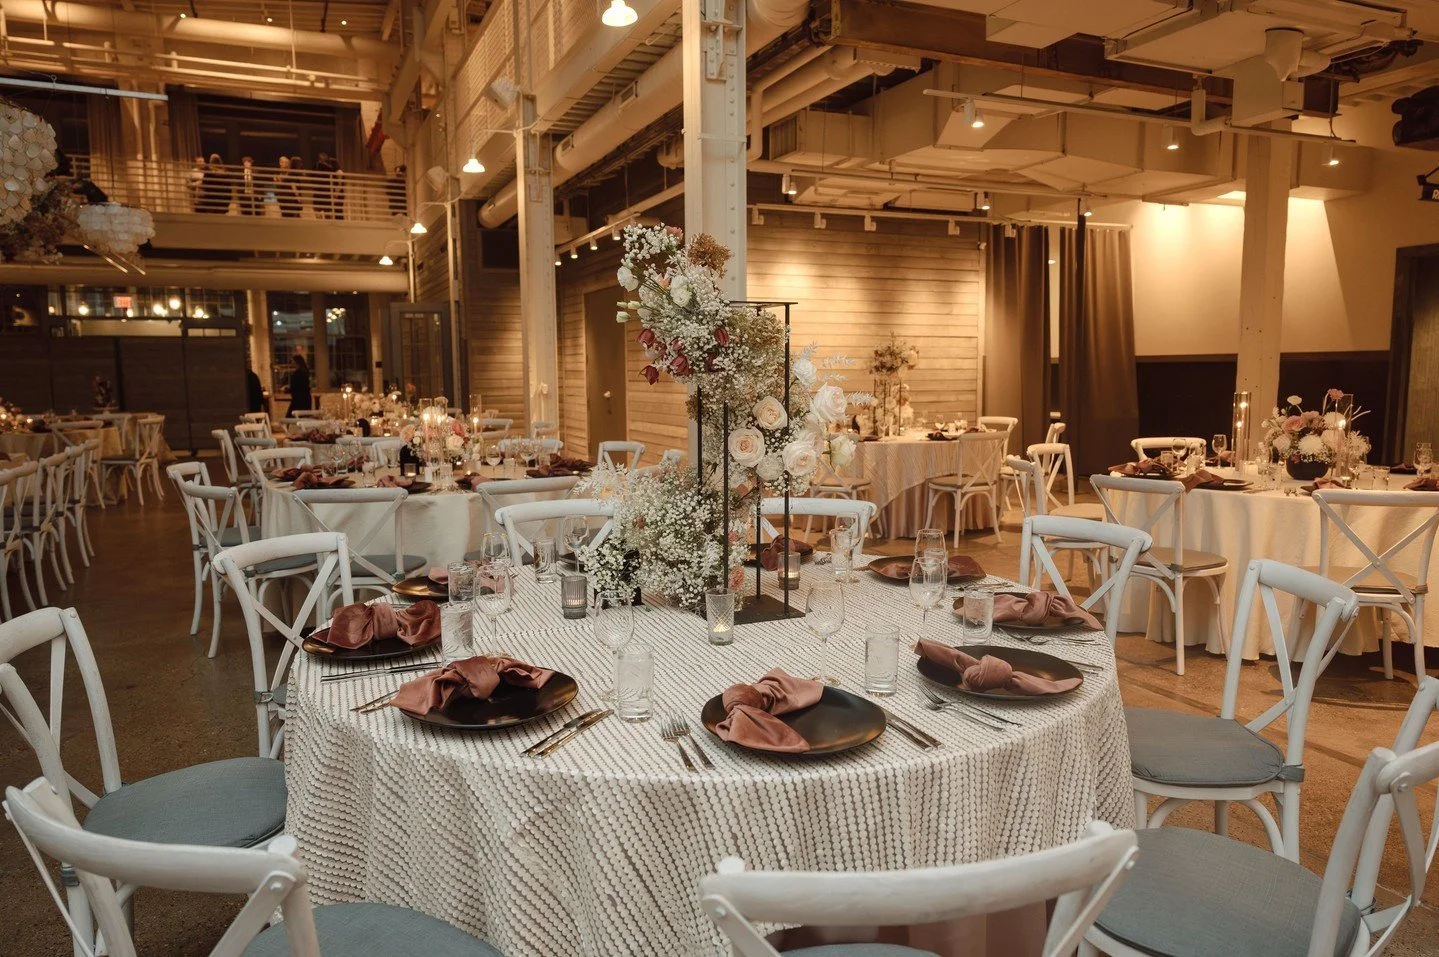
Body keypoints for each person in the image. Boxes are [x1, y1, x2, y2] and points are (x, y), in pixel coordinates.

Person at [314, 151, 340, 219]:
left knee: (326, 214)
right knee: (321, 214)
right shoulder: (318, 166)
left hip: (325, 194)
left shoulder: (328, 168)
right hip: (322, 193)